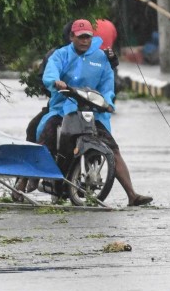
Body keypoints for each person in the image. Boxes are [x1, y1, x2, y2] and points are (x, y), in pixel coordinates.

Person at [35, 18, 152, 207]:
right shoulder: (60, 55)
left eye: (88, 37)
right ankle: (29, 179)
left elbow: (107, 85)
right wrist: (55, 82)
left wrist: (108, 102)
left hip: (92, 111)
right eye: (81, 37)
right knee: (46, 135)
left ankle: (132, 194)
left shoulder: (101, 58)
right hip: (64, 108)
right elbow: (51, 72)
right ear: (72, 36)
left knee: (113, 149)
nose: (85, 41)